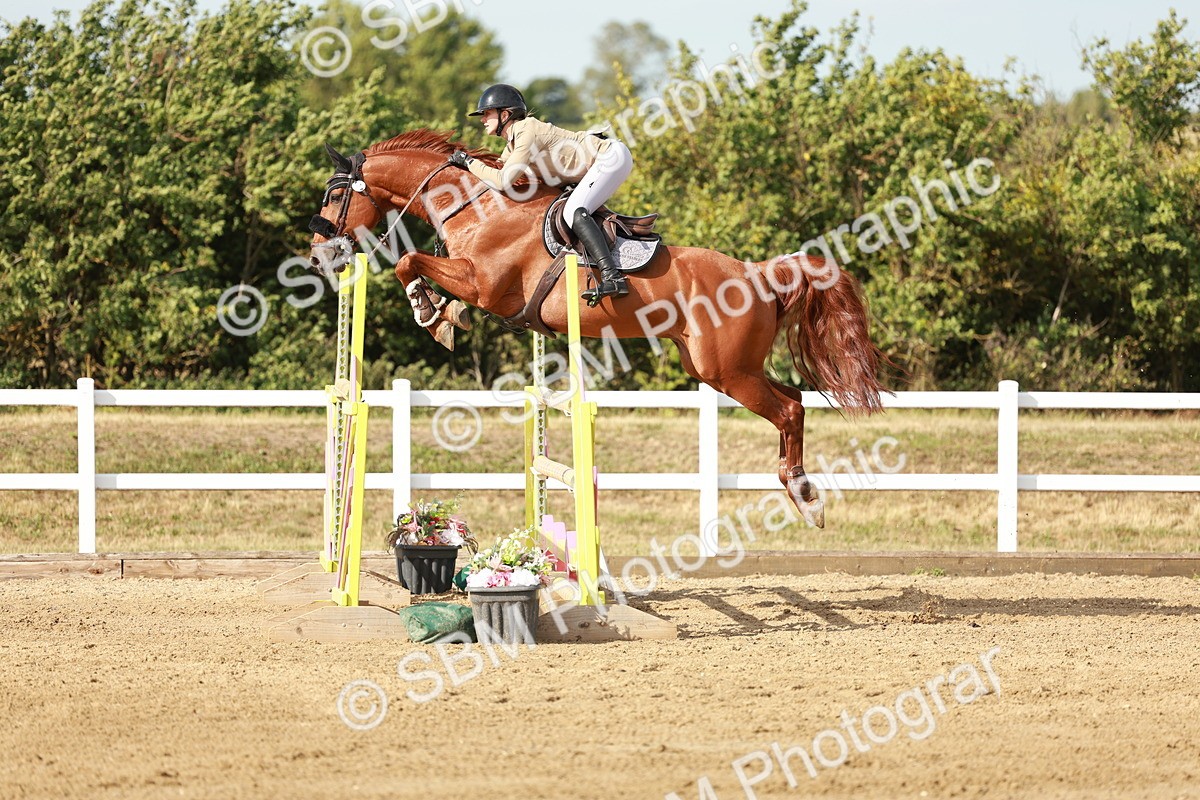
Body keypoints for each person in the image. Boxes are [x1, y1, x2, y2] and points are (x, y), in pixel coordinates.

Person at [448, 83, 634, 304]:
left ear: (505, 114)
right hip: (597, 165)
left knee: (574, 210)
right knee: (569, 209)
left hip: (609, 157)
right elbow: (494, 174)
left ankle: (613, 277)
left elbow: (502, 180)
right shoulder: (513, 145)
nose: (482, 119)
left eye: (487, 113)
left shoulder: (527, 130)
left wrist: (469, 162)